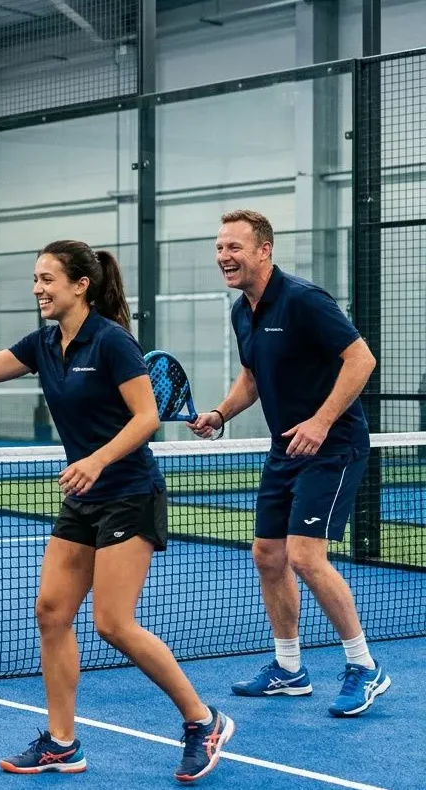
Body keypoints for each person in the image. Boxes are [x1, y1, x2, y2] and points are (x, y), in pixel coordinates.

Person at [0, 240, 232, 781]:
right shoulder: (45, 344)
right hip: (84, 498)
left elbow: (146, 417)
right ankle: (61, 742)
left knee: (114, 624)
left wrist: (96, 461)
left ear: (81, 285)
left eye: (48, 279)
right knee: (52, 612)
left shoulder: (112, 342)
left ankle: (203, 720)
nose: (38, 288)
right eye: (35, 279)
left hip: (128, 491)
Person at [188, 209, 389, 716]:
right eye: (219, 248)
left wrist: (321, 421)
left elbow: (361, 359)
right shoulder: (242, 311)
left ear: (263, 250)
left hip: (333, 445)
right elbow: (253, 377)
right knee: (267, 555)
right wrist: (220, 412)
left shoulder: (303, 300)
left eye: (234, 247)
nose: (223, 257)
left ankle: (365, 666)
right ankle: (289, 668)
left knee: (304, 555)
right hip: (285, 448)